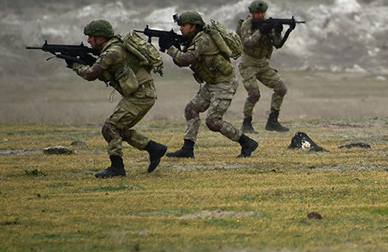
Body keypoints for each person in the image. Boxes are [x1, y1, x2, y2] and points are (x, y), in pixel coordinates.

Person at [70, 19, 167, 178]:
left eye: (91, 37)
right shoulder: (114, 48)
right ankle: (154, 148)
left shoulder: (111, 52)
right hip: (142, 94)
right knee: (119, 128)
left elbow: (90, 75)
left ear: (101, 38)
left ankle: (117, 168)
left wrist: (75, 65)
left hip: (141, 95)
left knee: (110, 128)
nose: (88, 40)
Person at [162, 11, 258, 158]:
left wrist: (170, 48)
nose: (180, 28)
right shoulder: (194, 40)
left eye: (183, 25)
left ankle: (247, 143)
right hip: (212, 83)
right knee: (191, 110)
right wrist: (174, 47)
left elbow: (185, 59)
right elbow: (182, 61)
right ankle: (188, 149)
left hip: (225, 83)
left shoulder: (203, 40)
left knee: (213, 121)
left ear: (193, 26)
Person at [237, 0, 291, 133]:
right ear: (252, 13)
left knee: (281, 88)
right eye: (257, 13)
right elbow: (247, 43)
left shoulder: (268, 24)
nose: (260, 15)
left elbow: (277, 44)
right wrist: (261, 31)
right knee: (254, 94)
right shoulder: (246, 24)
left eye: (262, 13)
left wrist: (279, 31)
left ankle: (273, 121)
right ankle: (246, 123)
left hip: (262, 63)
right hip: (248, 63)